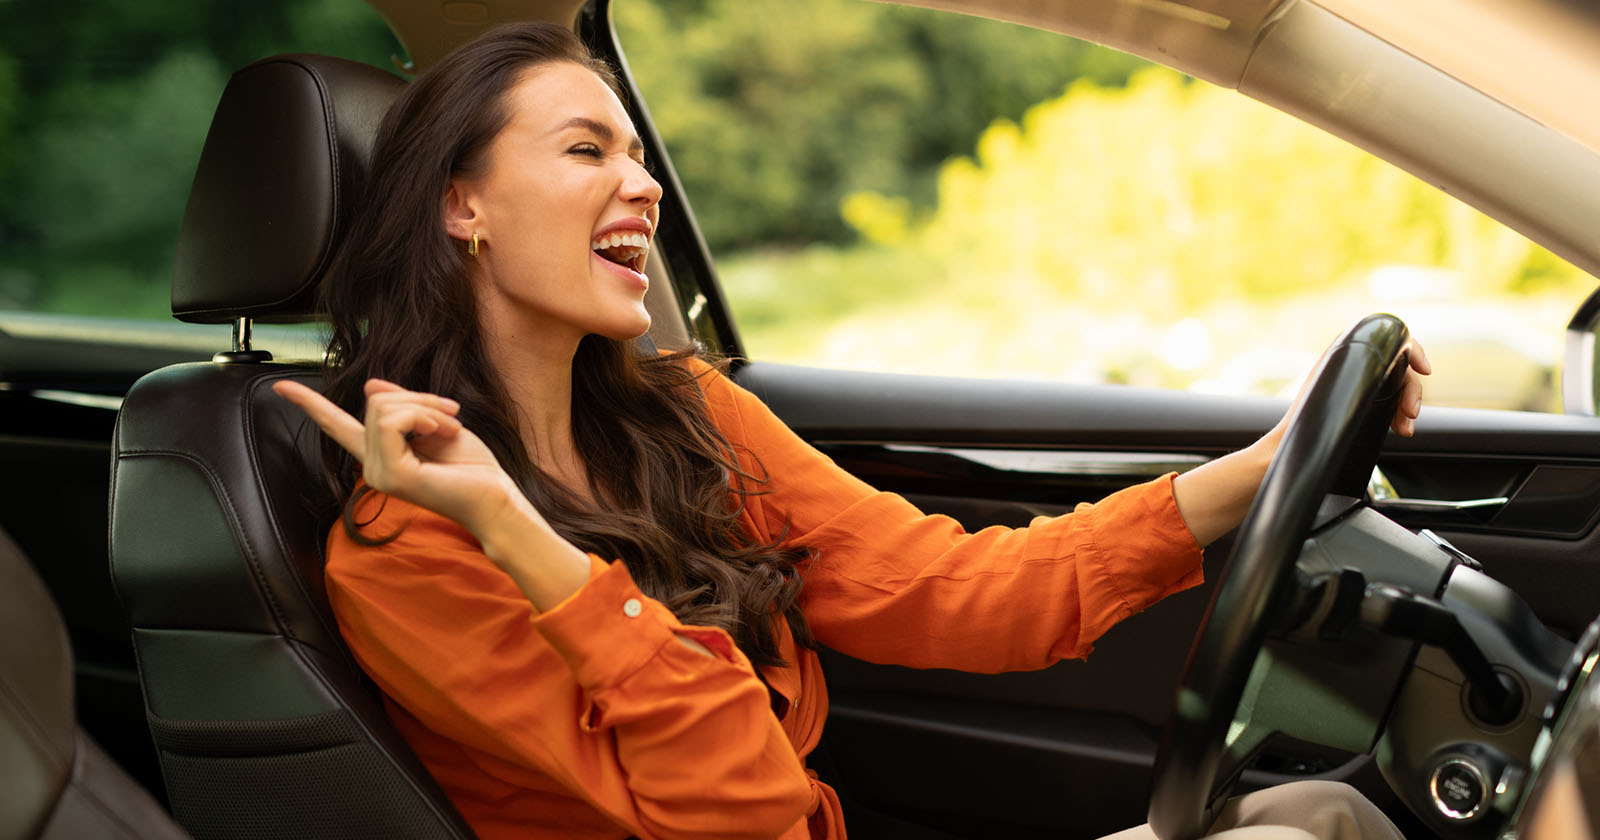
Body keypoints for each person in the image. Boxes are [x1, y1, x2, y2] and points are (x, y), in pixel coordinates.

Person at [273, 21, 1428, 840]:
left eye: (638, 154)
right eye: (588, 151)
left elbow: (954, 591)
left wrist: (1264, 468)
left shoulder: (685, 417)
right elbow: (740, 813)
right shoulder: (409, 553)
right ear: (462, 204)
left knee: (1322, 813)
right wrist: (528, 543)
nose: (644, 185)